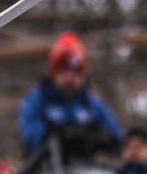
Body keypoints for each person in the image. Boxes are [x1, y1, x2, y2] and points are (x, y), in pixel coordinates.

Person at [19, 31, 124, 159]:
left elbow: (117, 138)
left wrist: (98, 139)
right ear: (54, 73)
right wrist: (58, 137)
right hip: (48, 170)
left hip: (90, 170)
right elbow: (32, 138)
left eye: (76, 72)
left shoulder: (93, 104)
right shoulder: (38, 102)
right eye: (64, 71)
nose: (71, 78)